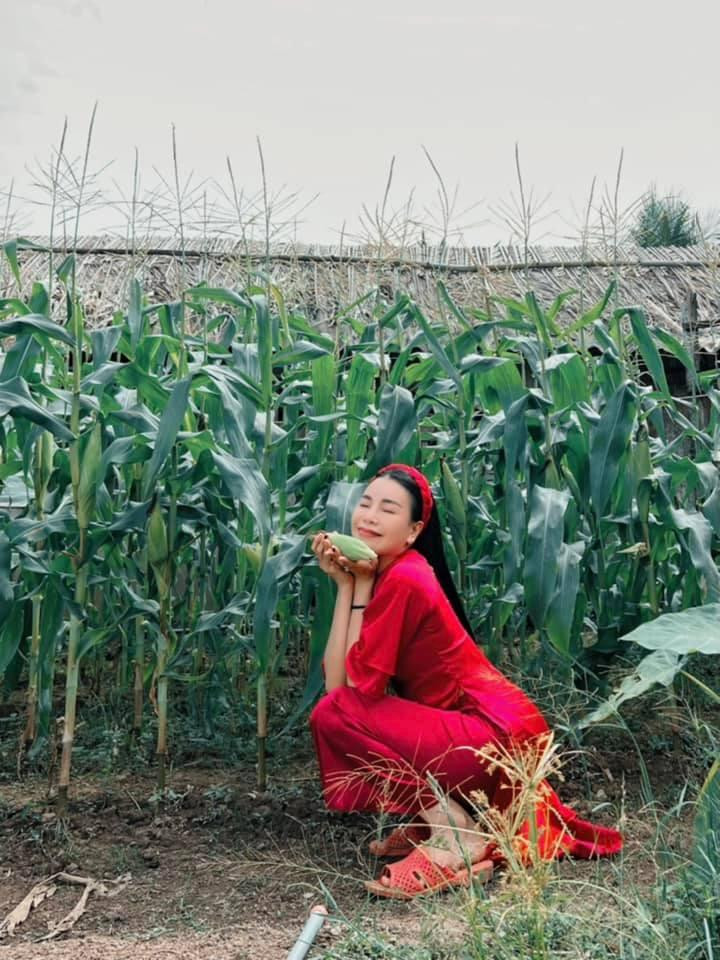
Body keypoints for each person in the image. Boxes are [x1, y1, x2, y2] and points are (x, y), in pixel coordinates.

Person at [309, 463, 622, 899]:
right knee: (338, 709)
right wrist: (347, 584)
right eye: (364, 504)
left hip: (492, 733)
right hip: (487, 733)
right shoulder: (386, 572)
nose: (369, 516)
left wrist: (358, 586)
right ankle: (440, 823)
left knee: (334, 715)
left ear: (415, 530)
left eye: (387, 509)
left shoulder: (405, 577)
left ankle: (456, 835)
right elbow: (340, 681)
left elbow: (347, 696)